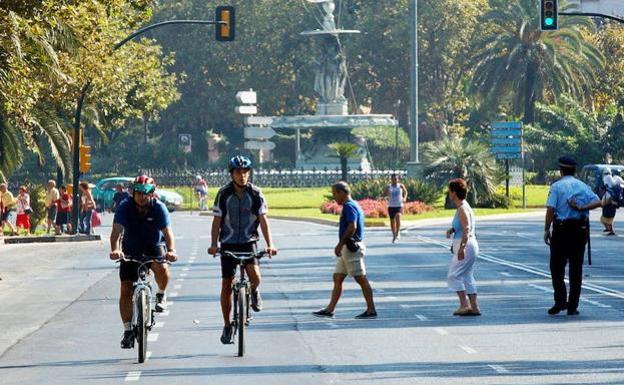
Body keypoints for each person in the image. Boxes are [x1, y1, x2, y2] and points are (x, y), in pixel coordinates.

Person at [207, 156, 277, 345]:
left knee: (255, 277)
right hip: (228, 243)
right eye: (238, 172)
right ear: (231, 174)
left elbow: (263, 220)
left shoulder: (256, 194)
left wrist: (270, 244)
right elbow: (216, 222)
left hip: (249, 241)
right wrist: (214, 244)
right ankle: (227, 325)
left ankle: (254, 291)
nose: (242, 175)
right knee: (226, 285)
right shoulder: (224, 194)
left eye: (245, 172)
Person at [109, 175, 178, 349]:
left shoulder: (159, 208)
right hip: (130, 248)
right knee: (125, 288)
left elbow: (168, 233)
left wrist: (171, 250)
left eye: (145, 193)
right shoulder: (125, 207)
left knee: (161, 267)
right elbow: (116, 232)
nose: (140, 196)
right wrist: (115, 250)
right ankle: (127, 331)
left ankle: (161, 293)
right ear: (133, 193)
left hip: (153, 246)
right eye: (137, 192)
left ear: (152, 193)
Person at [544, 156, 601, 316]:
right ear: (574, 170)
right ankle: (572, 306)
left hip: (562, 230)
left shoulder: (557, 186)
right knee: (576, 269)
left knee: (556, 267)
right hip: (579, 230)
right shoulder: (583, 186)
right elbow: (598, 201)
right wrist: (582, 207)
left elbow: (550, 209)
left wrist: (546, 229)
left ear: (561, 170)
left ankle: (560, 300)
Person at [313, 181, 377, 319]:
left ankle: (371, 309)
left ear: (342, 192)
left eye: (335, 194)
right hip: (347, 249)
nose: (334, 197)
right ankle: (330, 309)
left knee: (361, 278)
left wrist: (340, 244)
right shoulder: (353, 205)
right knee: (337, 277)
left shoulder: (349, 206)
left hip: (351, 248)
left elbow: (352, 226)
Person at [445, 179, 481, 316]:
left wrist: (462, 248)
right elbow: (462, 225)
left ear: (454, 193)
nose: (449, 194)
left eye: (450, 191)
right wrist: (452, 230)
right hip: (469, 244)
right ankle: (474, 307)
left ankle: (464, 305)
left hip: (466, 245)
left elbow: (467, 228)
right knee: (467, 275)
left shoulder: (462, 208)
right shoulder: (463, 206)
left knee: (453, 276)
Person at [383, 173, 407, 243]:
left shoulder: (401, 186)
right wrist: (387, 193)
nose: (394, 180)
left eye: (396, 179)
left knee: (398, 216)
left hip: (399, 205)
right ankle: (394, 235)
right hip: (391, 206)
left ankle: (397, 233)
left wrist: (404, 198)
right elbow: (384, 194)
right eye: (393, 179)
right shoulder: (388, 186)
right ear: (391, 179)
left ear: (398, 179)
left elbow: (405, 192)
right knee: (392, 221)